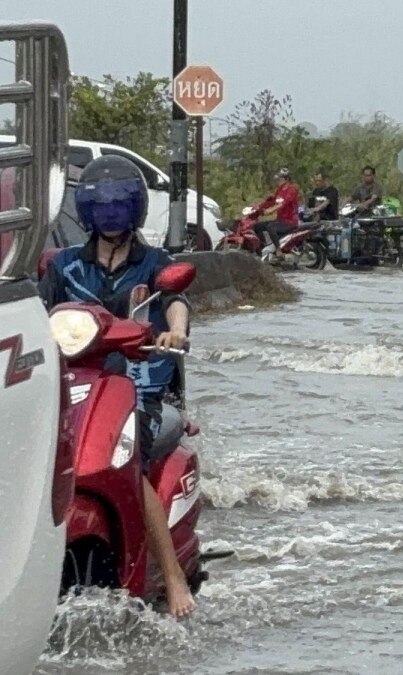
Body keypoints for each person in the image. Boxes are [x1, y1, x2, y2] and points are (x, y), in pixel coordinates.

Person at [38, 155, 196, 618]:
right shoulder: (62, 266)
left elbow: (176, 301)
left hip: (139, 386)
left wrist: (176, 332)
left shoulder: (155, 263)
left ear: (136, 209)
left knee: (129, 461)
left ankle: (172, 578)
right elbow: (35, 311)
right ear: (86, 211)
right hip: (71, 386)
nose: (110, 215)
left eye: (120, 205)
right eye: (101, 206)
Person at [252, 168, 301, 256]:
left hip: (290, 222)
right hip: (280, 220)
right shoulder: (279, 190)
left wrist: (270, 210)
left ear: (286, 179)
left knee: (271, 227)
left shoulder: (292, 190)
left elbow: (283, 203)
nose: (278, 181)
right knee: (257, 226)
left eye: (280, 179)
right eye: (278, 179)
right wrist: (258, 207)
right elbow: (272, 201)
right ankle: (263, 248)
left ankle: (278, 250)